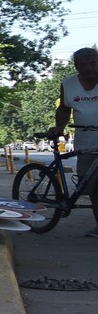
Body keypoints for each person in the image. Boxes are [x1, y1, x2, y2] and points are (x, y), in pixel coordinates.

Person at [53, 46, 98, 231]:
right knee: (93, 188)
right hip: (86, 142)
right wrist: (59, 128)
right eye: (83, 65)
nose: (89, 68)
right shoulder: (68, 84)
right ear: (76, 67)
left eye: (93, 64)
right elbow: (64, 108)